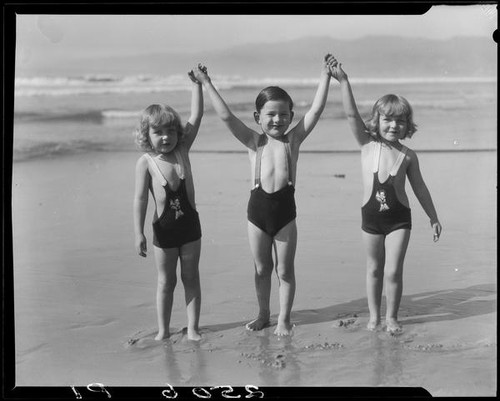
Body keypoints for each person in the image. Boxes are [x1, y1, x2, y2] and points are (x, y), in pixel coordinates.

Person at [192, 54, 337, 336]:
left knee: (285, 271)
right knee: (261, 269)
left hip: (285, 216)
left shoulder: (293, 140)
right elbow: (225, 116)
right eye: (271, 114)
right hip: (257, 214)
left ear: (291, 117)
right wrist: (207, 82)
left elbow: (316, 111)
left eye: (284, 114)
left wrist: (325, 76)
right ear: (258, 118)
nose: (278, 119)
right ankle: (263, 314)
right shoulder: (253, 141)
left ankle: (283, 318)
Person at [329, 58, 442, 333]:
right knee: (374, 270)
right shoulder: (366, 145)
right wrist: (344, 81)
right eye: (387, 119)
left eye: (400, 121)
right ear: (377, 121)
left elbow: (420, 188)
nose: (393, 125)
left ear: (407, 125)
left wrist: (433, 216)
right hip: (370, 219)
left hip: (399, 220)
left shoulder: (408, 156)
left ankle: (391, 317)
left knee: (393, 271)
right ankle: (373, 317)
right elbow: (351, 115)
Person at [133, 68, 204, 341]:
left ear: (178, 133)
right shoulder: (146, 163)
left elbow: (196, 118)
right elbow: (140, 198)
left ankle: (193, 328)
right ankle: (163, 330)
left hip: (190, 228)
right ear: (147, 135)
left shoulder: (182, 151)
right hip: (163, 231)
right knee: (166, 282)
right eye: (158, 132)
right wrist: (138, 232)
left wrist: (196, 85)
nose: (166, 137)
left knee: (191, 277)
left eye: (171, 131)